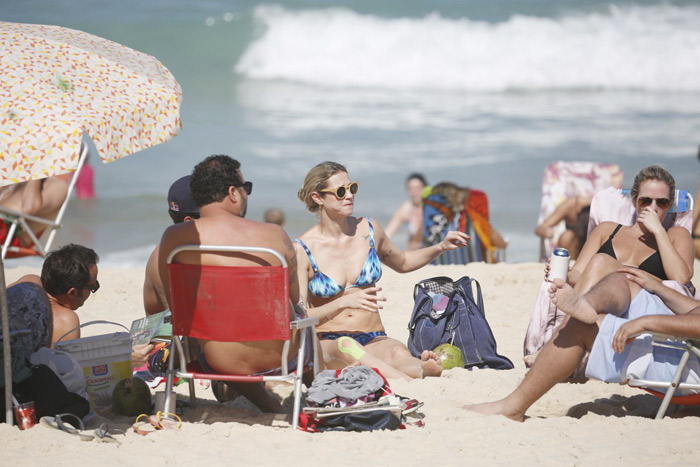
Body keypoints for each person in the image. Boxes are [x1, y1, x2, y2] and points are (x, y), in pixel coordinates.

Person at [157, 155, 310, 413]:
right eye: (245, 188)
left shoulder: (175, 239)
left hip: (217, 361)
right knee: (304, 319)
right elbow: (293, 297)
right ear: (232, 192)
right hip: (280, 358)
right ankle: (319, 395)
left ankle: (263, 401)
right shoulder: (274, 236)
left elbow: (174, 301)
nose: (246, 195)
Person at [295, 161, 471, 380]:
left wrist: (440, 247)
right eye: (340, 191)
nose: (349, 195)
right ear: (317, 197)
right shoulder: (303, 249)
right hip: (327, 344)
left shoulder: (368, 229)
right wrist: (341, 303)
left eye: (352, 188)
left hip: (373, 337)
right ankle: (407, 382)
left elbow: (404, 261)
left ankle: (422, 370)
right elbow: (300, 316)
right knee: (347, 346)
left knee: (398, 352)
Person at [467, 268, 700, 421]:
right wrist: (657, 287)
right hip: (688, 334)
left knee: (581, 326)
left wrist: (645, 322)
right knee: (624, 280)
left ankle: (513, 408)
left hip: (688, 359)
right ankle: (584, 305)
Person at [550, 165, 694, 294]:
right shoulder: (606, 231)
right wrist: (563, 275)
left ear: (669, 206)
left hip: (644, 305)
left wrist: (659, 231)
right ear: (634, 201)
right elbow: (578, 274)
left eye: (662, 202)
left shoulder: (676, 235)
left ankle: (576, 313)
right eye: (645, 201)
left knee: (601, 261)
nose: (653, 208)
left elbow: (680, 280)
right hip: (600, 300)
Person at [136, 175, 201, 370]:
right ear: (190, 222)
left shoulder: (192, 251)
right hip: (160, 344)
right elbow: (181, 323)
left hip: (184, 337)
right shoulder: (164, 258)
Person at [12, 244, 99, 346]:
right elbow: (61, 361)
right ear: (72, 293)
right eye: (93, 287)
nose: (94, 289)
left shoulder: (28, 281)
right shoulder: (65, 321)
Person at [0, 175, 70, 248]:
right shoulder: (16, 175)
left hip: (12, 236)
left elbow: (29, 209)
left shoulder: (57, 185)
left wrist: (36, 172)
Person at [535, 195, 592, 259]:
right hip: (575, 250)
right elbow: (540, 229)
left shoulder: (600, 203)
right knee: (566, 237)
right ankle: (569, 264)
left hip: (596, 247)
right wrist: (545, 231)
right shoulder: (573, 205)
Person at [384, 173, 427, 251]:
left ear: (425, 188)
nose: (414, 192)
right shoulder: (406, 209)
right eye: (410, 188)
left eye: (417, 188)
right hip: (414, 255)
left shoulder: (432, 208)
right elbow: (387, 234)